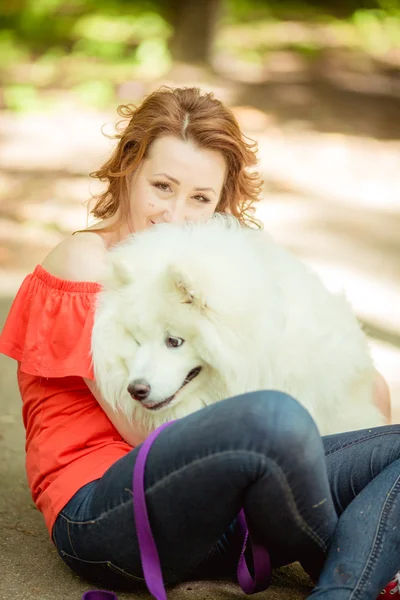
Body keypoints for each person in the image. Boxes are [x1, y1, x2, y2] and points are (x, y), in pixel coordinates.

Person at [0, 86, 398, 600]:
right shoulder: (88, 261)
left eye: (200, 198)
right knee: (275, 419)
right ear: (129, 168)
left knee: (376, 410)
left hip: (212, 517)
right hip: (106, 513)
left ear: (221, 203)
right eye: (162, 186)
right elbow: (140, 423)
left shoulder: (197, 280)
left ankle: (345, 589)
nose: (177, 214)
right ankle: (361, 550)